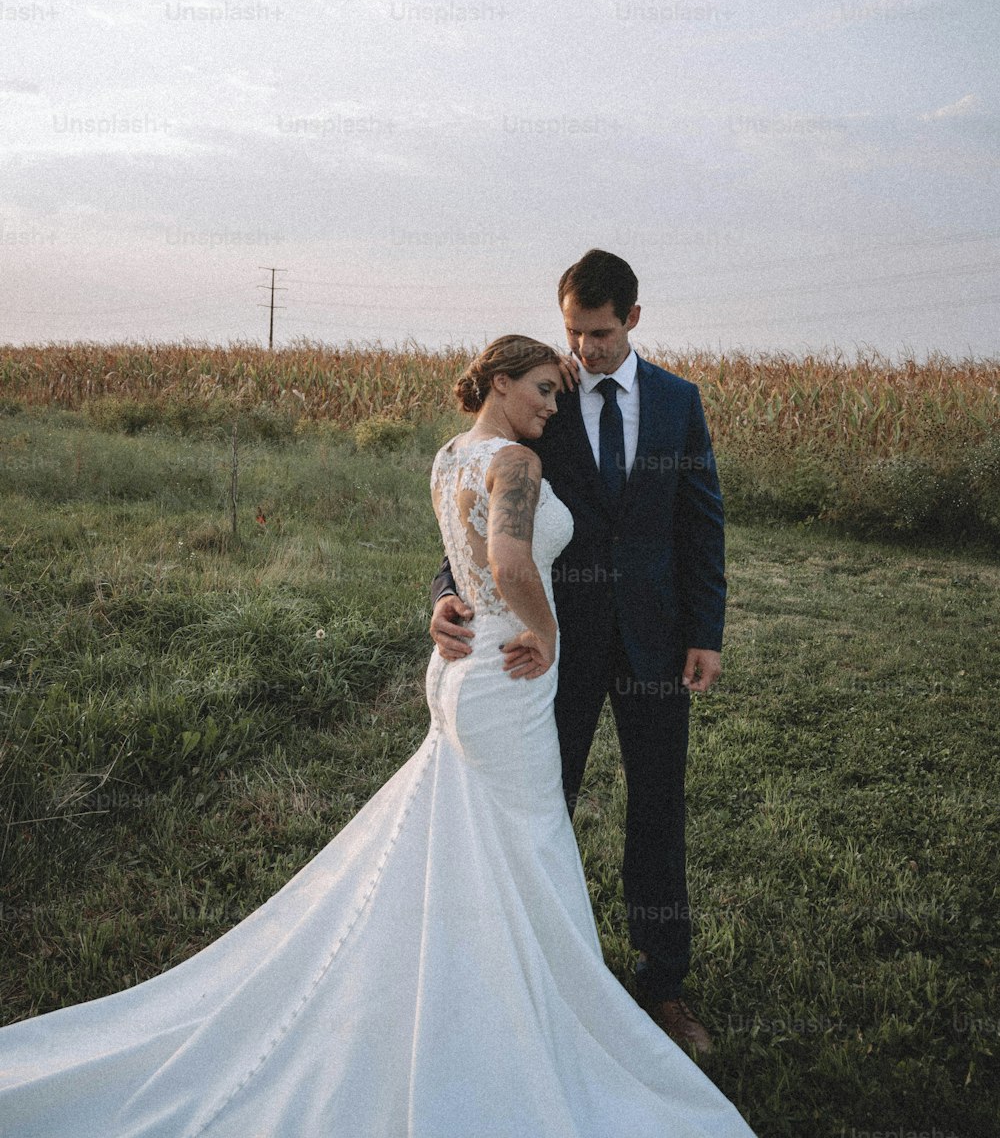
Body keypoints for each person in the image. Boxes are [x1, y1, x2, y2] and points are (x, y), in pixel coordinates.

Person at [0, 334, 756, 1138]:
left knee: (472, 838)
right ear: (502, 382)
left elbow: (479, 545)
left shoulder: (448, 455)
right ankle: (520, 1009)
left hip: (476, 674)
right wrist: (546, 630)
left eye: (557, 388)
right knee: (528, 839)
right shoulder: (521, 463)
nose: (553, 401)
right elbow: (502, 558)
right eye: (541, 386)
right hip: (510, 676)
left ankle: (482, 981)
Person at [431, 250, 727, 1054]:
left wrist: (706, 630)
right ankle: (528, 968)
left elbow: (700, 521)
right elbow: (483, 506)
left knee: (658, 806)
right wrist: (444, 592)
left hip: (658, 640)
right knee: (539, 802)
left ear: (632, 319)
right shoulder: (543, 400)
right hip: (547, 648)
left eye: (598, 332)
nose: (584, 349)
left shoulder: (676, 403)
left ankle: (662, 984)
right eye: (572, 331)